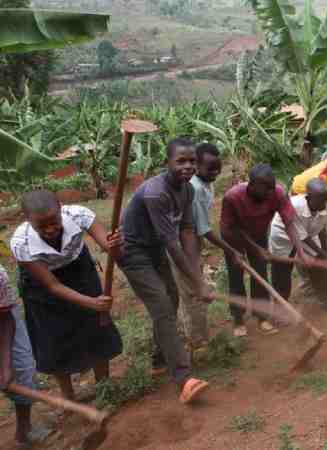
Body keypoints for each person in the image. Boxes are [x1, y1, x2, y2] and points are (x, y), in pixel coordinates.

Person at [118, 138, 210, 404]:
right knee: (161, 304)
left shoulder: (187, 191)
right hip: (133, 251)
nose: (188, 166)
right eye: (181, 161)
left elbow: (188, 231)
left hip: (155, 248)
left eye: (192, 161)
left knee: (171, 300)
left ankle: (160, 357)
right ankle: (183, 378)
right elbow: (172, 243)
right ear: (167, 162)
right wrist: (198, 283)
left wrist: (197, 277)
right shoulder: (155, 193)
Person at [10, 190, 123, 403]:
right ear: (28, 220)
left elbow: (109, 247)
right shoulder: (21, 243)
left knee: (96, 327)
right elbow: (53, 286)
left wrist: (114, 244)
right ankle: (68, 398)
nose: (50, 229)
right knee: (54, 338)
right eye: (41, 226)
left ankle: (104, 388)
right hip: (42, 287)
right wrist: (92, 302)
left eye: (54, 222)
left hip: (79, 271)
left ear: (61, 209)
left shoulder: (79, 215)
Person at [166, 143, 241, 355]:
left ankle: (193, 335)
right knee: (193, 293)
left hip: (192, 244)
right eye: (211, 169)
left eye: (218, 168)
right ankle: (198, 344)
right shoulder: (196, 189)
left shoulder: (206, 183)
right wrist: (230, 250)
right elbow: (203, 229)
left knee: (191, 291)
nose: (216, 173)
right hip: (182, 247)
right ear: (197, 166)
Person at [220, 164, 306, 337]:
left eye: (271, 189)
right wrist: (252, 249)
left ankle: (262, 317)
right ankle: (238, 318)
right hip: (234, 239)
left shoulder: (277, 193)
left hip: (258, 235)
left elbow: (289, 223)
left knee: (260, 275)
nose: (269, 194)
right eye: (265, 190)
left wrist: (300, 252)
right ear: (251, 185)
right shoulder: (233, 197)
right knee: (236, 275)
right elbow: (227, 229)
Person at [270, 178, 327, 315]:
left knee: (318, 267)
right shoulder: (294, 206)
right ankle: (280, 309)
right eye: (321, 200)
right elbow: (301, 236)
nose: (325, 203)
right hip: (283, 235)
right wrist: (326, 256)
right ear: (308, 198)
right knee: (282, 272)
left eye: (326, 199)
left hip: (309, 235)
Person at [0, 264, 50, 448]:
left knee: (23, 369)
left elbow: (5, 319)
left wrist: (5, 366)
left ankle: (24, 429)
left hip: (2, 318)